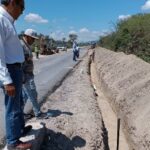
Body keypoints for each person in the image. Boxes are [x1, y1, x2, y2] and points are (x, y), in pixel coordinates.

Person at [0, 0, 32, 149]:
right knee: (12, 106)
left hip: (16, 69)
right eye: (22, 7)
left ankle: (19, 129)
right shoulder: (1, 19)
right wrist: (7, 80)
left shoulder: (8, 20)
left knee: (18, 102)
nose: (22, 11)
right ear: (13, 3)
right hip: (10, 71)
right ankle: (13, 142)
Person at [20, 29, 45, 119]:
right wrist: (22, 77)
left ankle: (20, 113)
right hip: (25, 75)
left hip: (28, 74)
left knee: (25, 96)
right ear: (27, 36)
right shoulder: (21, 45)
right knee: (33, 94)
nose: (34, 41)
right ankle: (38, 113)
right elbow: (19, 63)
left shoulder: (27, 45)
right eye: (32, 38)